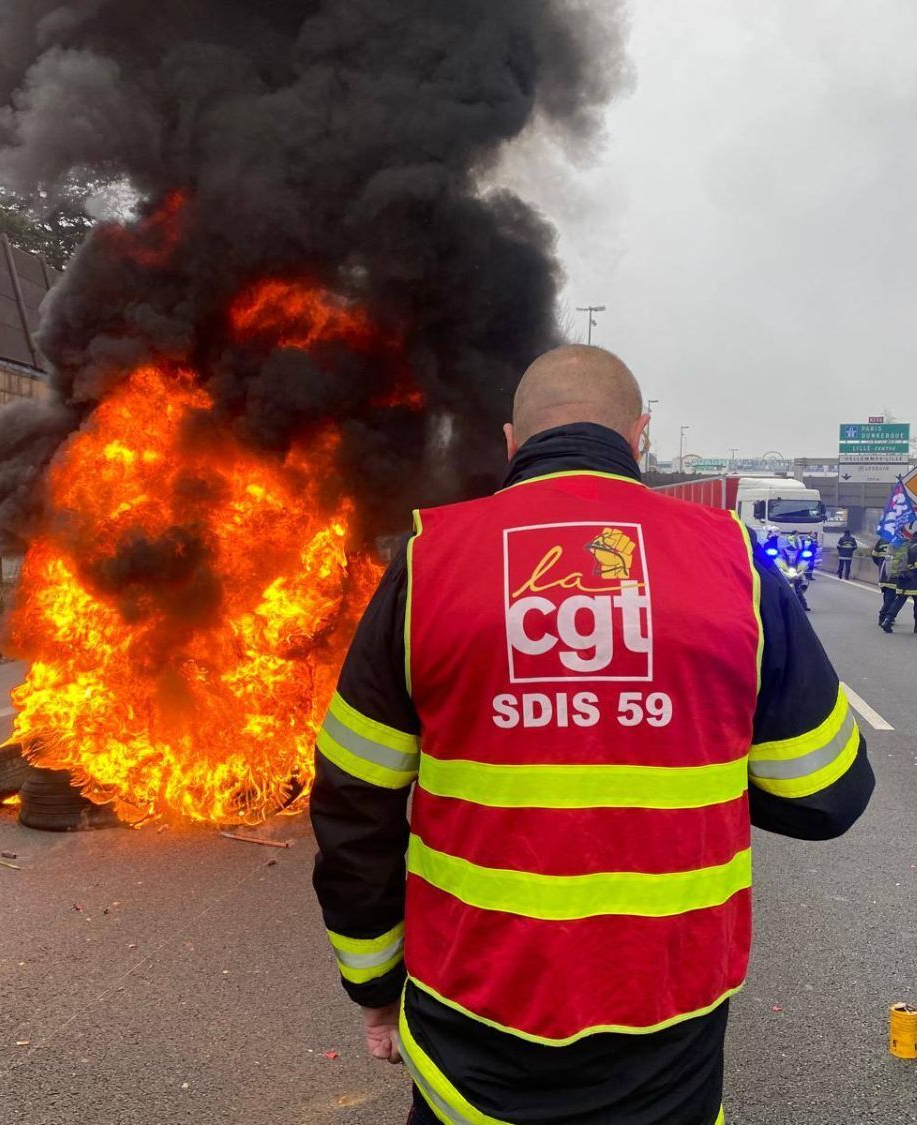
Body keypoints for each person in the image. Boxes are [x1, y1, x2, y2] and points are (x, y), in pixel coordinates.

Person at [310, 345, 875, 1125]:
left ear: (513, 441)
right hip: (667, 1040)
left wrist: (373, 986)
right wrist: (689, 747)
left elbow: (354, 797)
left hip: (471, 1032)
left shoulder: (429, 559)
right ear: (638, 436)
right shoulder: (734, 562)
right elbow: (828, 794)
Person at [882, 531, 917, 634]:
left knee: (899, 601)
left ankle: (888, 620)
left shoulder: (906, 545)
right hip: (916, 581)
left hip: (903, 578)